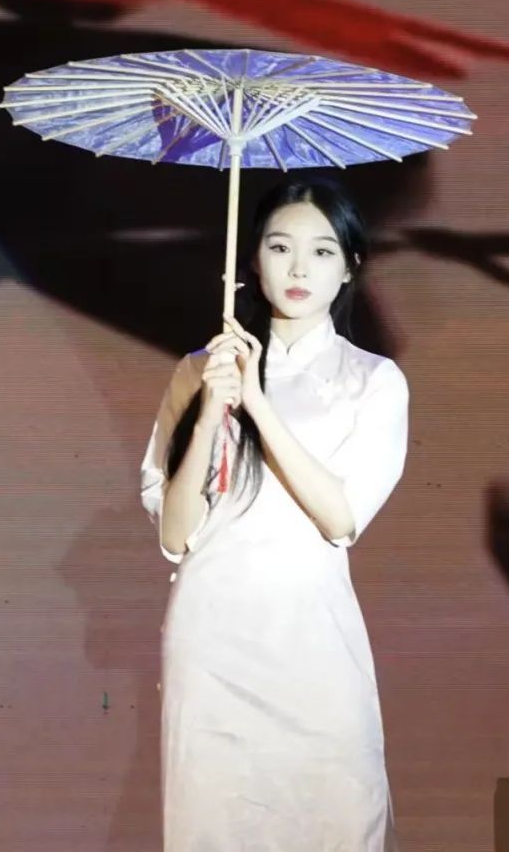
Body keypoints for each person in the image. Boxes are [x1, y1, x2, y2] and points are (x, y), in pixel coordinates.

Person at [140, 175, 410, 851]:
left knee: (334, 819)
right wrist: (211, 410)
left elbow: (340, 519)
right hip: (212, 639)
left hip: (312, 638)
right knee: (215, 825)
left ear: (349, 267)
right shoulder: (197, 372)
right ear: (251, 261)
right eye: (280, 247)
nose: (297, 269)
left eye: (321, 251)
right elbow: (175, 536)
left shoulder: (372, 380)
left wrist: (257, 403)